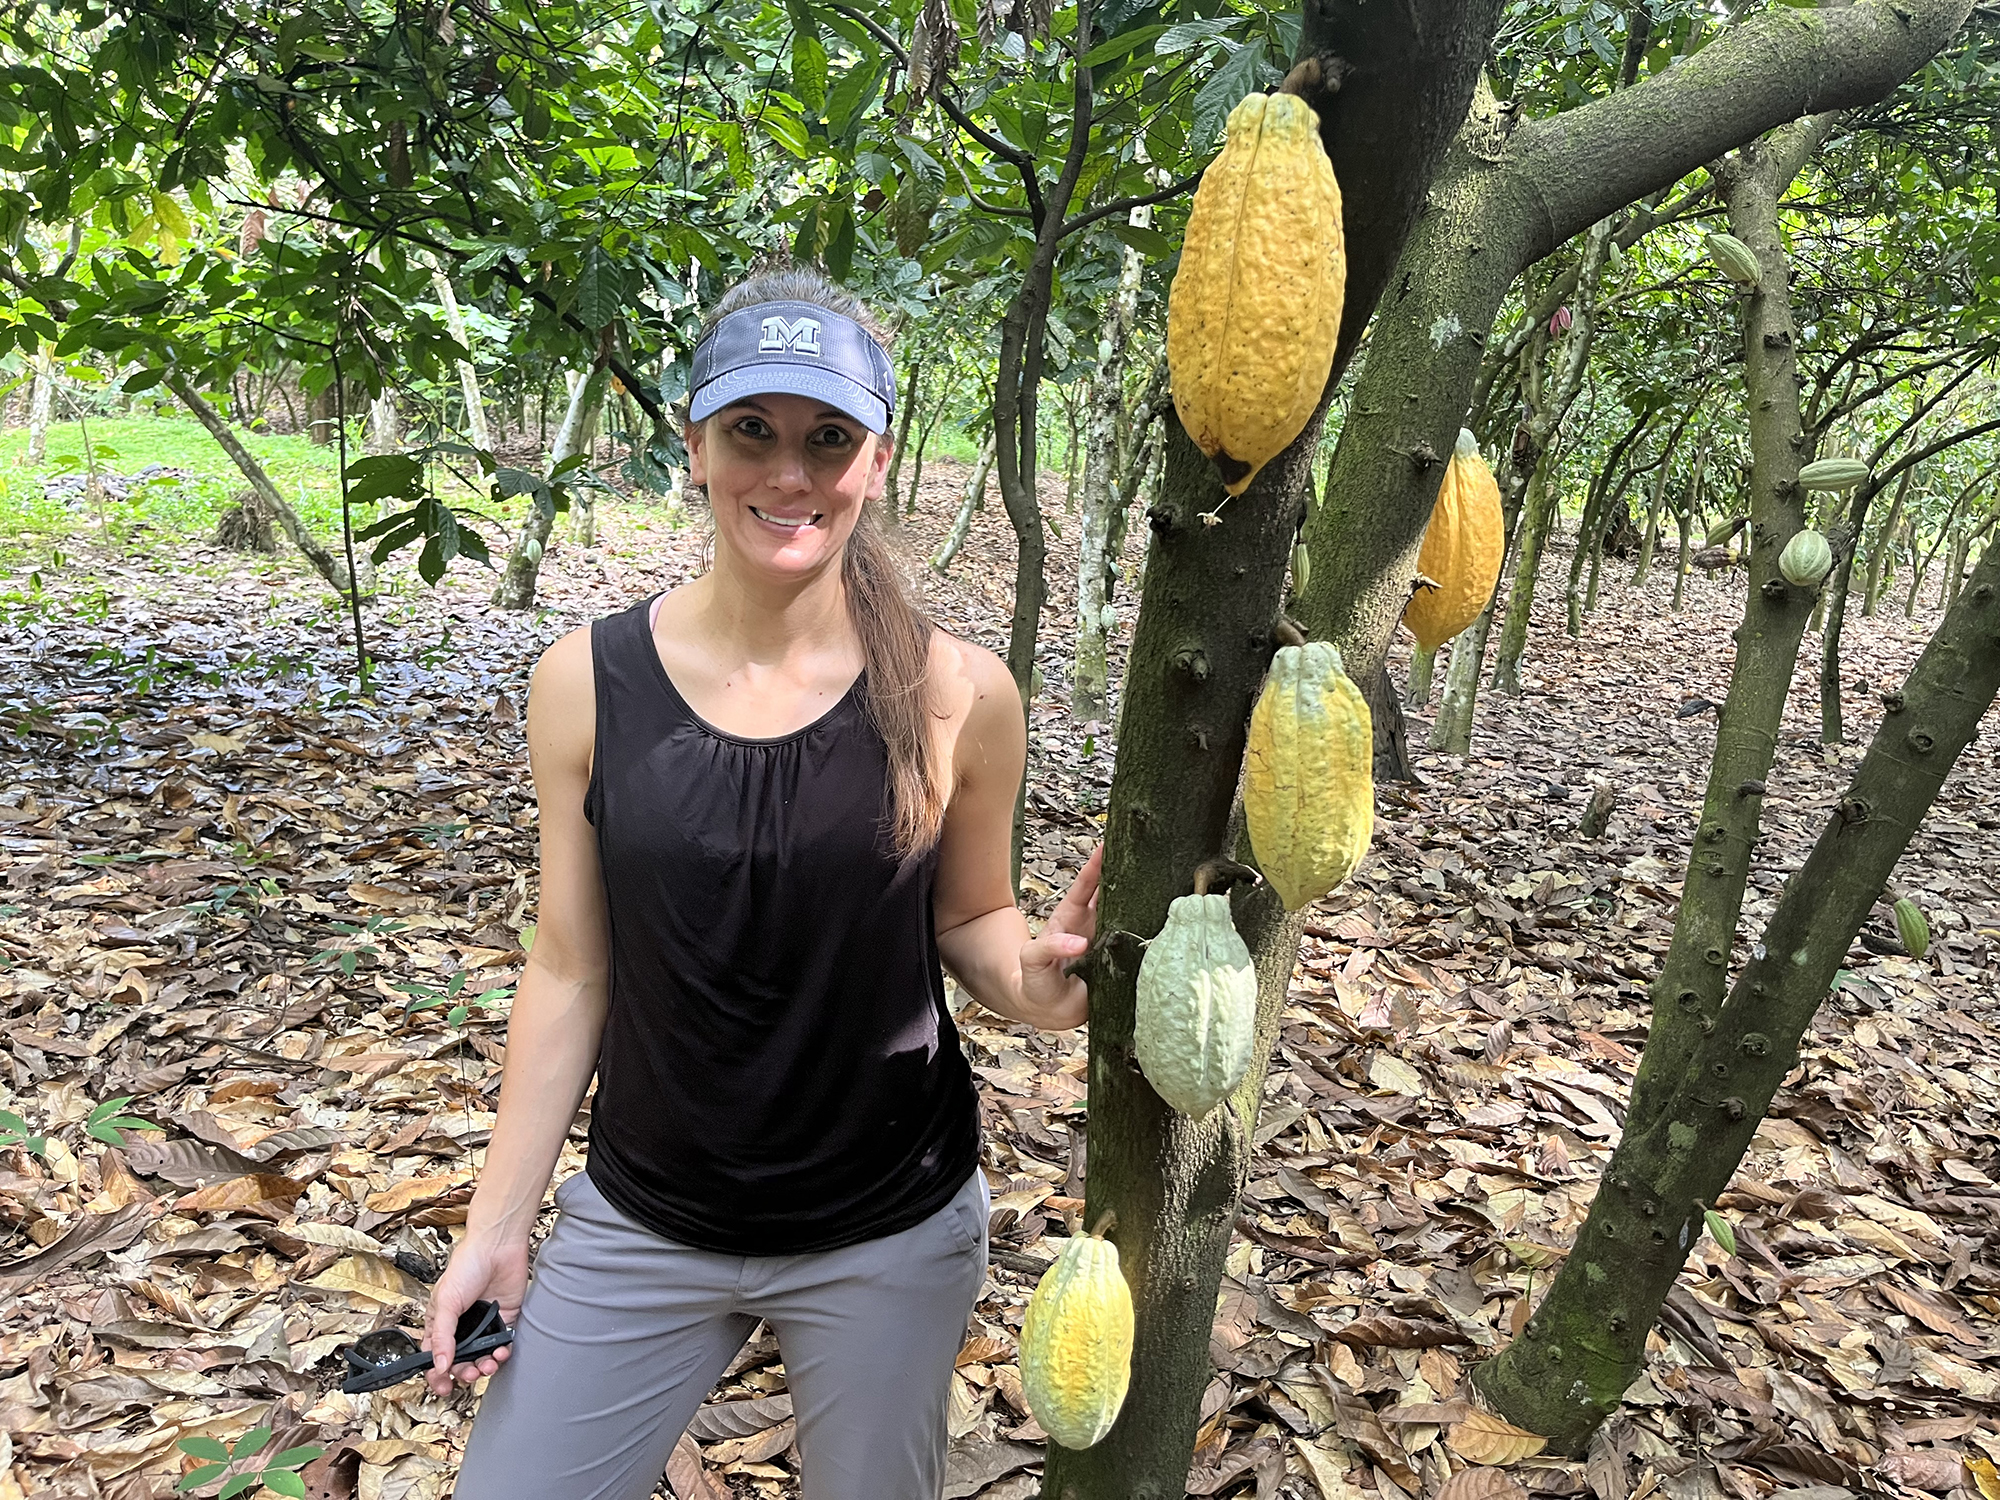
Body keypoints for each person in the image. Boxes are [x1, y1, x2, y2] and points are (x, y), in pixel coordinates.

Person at [424, 265, 1103, 1500]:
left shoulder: (960, 692)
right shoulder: (584, 680)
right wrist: (496, 1225)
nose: (789, 476)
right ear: (694, 446)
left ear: (877, 460)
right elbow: (572, 964)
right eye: (753, 432)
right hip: (648, 1217)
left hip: (885, 1227)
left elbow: (969, 916)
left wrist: (1038, 986)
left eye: (826, 439)